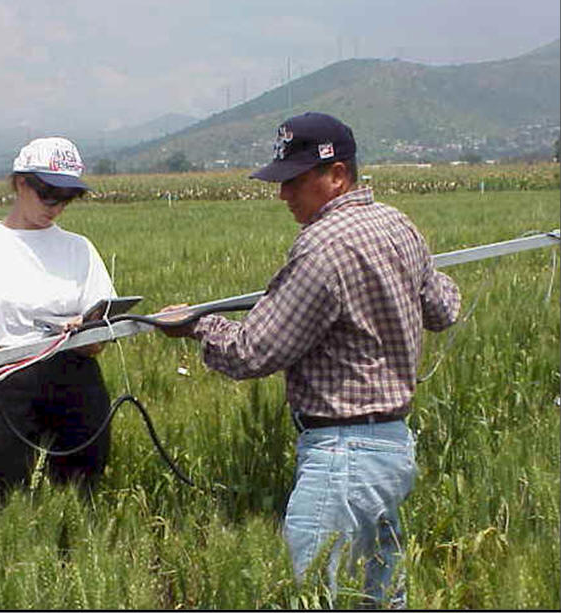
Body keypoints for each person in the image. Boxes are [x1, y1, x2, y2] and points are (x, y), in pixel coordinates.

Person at [158, 112, 461, 608]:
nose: (283, 195)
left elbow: (254, 351)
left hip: (342, 453)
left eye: (294, 181)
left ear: (337, 175)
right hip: (391, 449)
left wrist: (196, 324)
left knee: (311, 594)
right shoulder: (397, 223)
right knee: (378, 595)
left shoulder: (323, 247)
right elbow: (445, 308)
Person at [0, 137, 116, 503]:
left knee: (82, 492)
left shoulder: (79, 248)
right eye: (49, 194)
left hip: (75, 375)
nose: (57, 207)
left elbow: (98, 343)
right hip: (6, 378)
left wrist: (87, 327)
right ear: (21, 182)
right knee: (8, 494)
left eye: (67, 197)